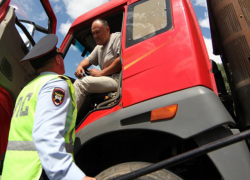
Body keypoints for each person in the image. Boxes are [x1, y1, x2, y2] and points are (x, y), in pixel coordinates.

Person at [1, 34, 96, 180]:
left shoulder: (27, 89)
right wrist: (74, 176)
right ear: (58, 59)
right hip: (37, 172)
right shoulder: (55, 84)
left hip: (13, 173)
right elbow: (46, 135)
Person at [74, 19, 121, 111]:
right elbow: (87, 60)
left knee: (81, 84)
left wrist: (100, 73)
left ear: (107, 29)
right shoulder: (99, 47)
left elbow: (120, 61)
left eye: (97, 32)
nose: (95, 36)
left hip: (117, 79)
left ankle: (67, 123)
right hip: (108, 79)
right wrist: (80, 67)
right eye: (93, 33)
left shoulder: (116, 38)